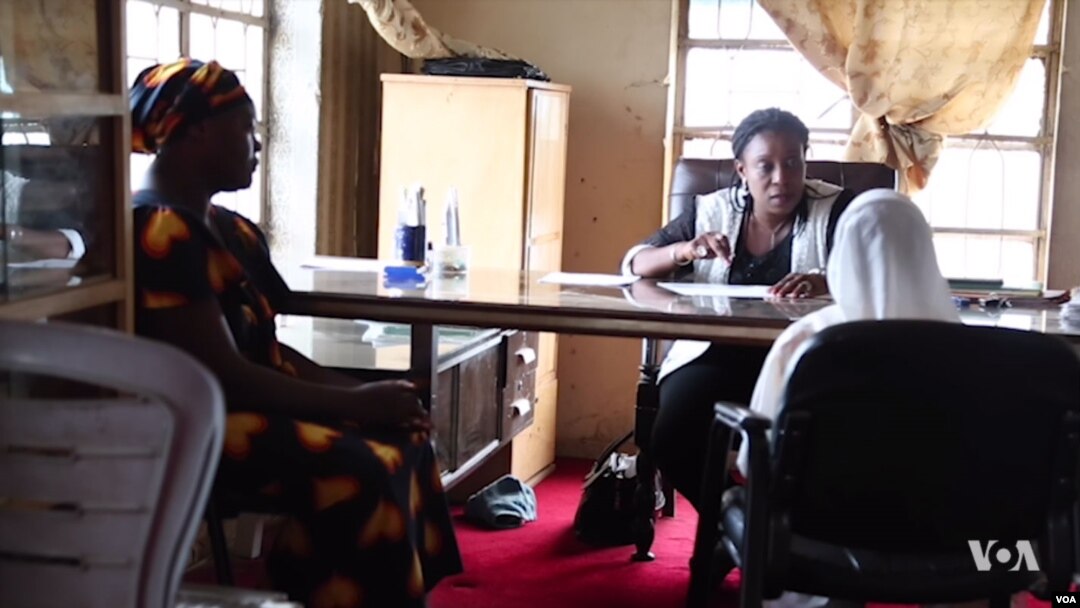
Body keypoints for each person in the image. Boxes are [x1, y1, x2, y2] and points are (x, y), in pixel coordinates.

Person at [128, 58, 462, 608]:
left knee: (407, 435)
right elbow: (225, 376)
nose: (257, 144)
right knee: (363, 467)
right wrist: (352, 400)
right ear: (194, 130)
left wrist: (365, 397)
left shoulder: (229, 229)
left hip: (250, 404)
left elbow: (269, 353)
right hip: (201, 424)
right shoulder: (160, 231)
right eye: (246, 128)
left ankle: (352, 593)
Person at [620, 108, 856, 508]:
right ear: (742, 170)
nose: (781, 177)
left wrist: (827, 281)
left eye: (793, 163)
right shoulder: (712, 210)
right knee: (670, 437)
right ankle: (740, 526)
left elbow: (879, 277)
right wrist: (686, 249)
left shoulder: (835, 210)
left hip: (804, 359)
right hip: (714, 353)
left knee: (829, 443)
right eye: (765, 165)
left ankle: (780, 534)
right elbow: (634, 265)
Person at [741, 190, 964, 608]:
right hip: (948, 542)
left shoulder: (808, 341)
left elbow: (756, 462)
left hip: (823, 537)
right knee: (1012, 554)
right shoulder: (972, 351)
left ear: (842, 255)